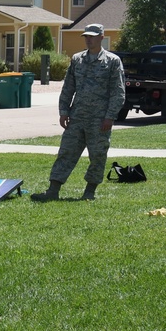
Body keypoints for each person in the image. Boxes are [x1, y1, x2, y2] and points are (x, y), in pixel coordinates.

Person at [32, 24, 125, 201]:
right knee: (66, 152)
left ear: (101, 36)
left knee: (97, 155)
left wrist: (110, 116)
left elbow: (118, 92)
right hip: (77, 117)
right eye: (86, 36)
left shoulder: (112, 61)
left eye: (92, 36)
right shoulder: (77, 59)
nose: (88, 39)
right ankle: (53, 190)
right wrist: (64, 111)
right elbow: (68, 87)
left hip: (99, 119)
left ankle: (89, 192)